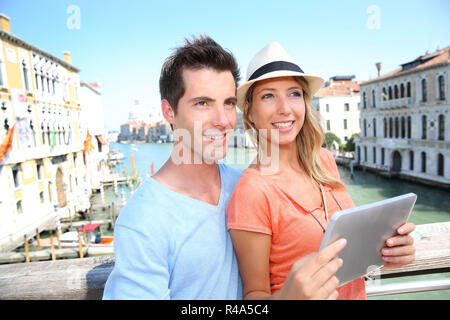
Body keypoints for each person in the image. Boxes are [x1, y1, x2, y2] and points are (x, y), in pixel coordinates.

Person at [103, 36, 349, 300]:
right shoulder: (142, 221)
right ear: (169, 111)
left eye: (228, 103)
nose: (222, 121)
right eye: (202, 103)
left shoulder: (242, 184)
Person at [227, 42, 416, 300]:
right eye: (268, 96)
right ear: (249, 111)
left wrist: (388, 251)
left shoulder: (325, 161)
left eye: (294, 94)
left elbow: (350, 256)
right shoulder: (252, 191)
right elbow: (254, 296)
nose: (285, 108)